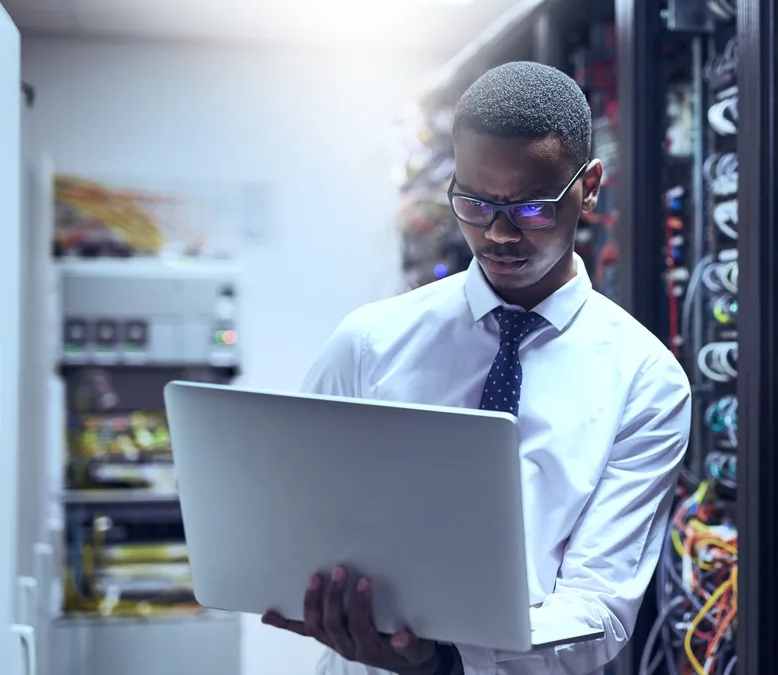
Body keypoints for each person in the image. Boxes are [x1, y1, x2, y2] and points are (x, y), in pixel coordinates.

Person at [260, 61, 693, 675]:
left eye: (532, 208)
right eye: (474, 203)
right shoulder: (368, 342)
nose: (498, 234)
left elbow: (600, 609)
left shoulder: (645, 381)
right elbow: (293, 512)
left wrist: (446, 659)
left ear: (590, 186)